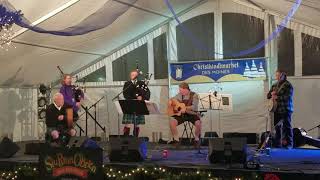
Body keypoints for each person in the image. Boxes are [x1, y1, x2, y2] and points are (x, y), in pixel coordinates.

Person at [267, 70, 294, 148]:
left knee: (287, 126)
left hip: (286, 109)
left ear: (283, 75)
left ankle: (289, 144)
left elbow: (288, 97)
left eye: (278, 75)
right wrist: (271, 94)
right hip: (276, 109)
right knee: (277, 127)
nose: (277, 77)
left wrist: (277, 97)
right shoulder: (274, 85)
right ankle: (278, 144)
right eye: (276, 75)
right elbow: (268, 96)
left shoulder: (288, 85)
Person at [122, 70, 150, 137]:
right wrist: (135, 96)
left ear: (137, 76)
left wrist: (142, 98)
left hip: (139, 105)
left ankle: (135, 139)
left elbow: (147, 93)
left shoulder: (141, 83)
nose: (133, 76)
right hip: (130, 105)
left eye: (134, 75)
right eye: (132, 75)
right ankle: (126, 139)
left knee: (137, 123)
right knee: (127, 123)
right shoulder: (127, 84)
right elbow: (125, 94)